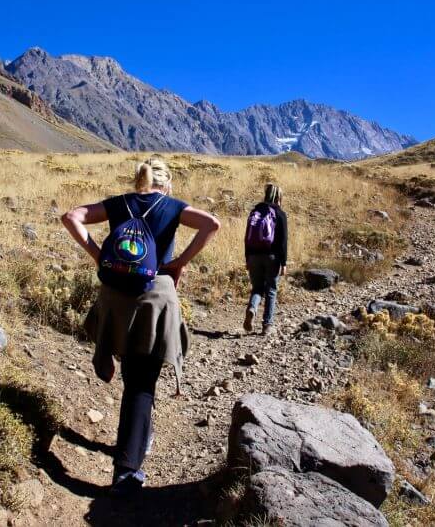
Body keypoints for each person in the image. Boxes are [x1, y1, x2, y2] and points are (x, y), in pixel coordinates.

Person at [61, 157, 220, 496]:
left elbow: (71, 217)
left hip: (114, 298)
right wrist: (178, 263)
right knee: (142, 383)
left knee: (131, 371)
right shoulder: (173, 207)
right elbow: (212, 225)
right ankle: (126, 471)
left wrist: (97, 254)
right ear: (168, 183)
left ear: (138, 180)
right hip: (154, 298)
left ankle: (132, 423)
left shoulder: (119, 203)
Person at [243, 183, 288, 336]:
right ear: (278, 197)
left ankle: (252, 308)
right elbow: (283, 241)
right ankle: (267, 325)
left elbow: (247, 237)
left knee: (257, 288)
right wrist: (284, 263)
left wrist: (247, 257)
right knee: (271, 290)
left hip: (254, 255)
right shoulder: (279, 213)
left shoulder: (255, 211)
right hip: (272, 257)